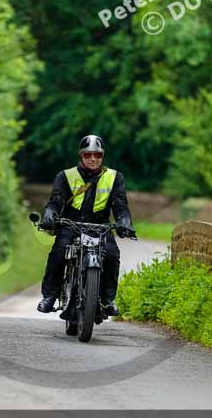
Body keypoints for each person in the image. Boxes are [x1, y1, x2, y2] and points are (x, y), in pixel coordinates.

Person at [37, 134, 137, 316]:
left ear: (102, 156)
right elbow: (55, 201)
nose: (93, 159)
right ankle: (50, 296)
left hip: (100, 227)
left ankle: (107, 300)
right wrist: (50, 214)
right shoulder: (65, 176)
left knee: (112, 255)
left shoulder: (115, 177)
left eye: (97, 155)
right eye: (88, 155)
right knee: (59, 252)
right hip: (71, 224)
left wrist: (124, 221)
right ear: (81, 155)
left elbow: (121, 205)